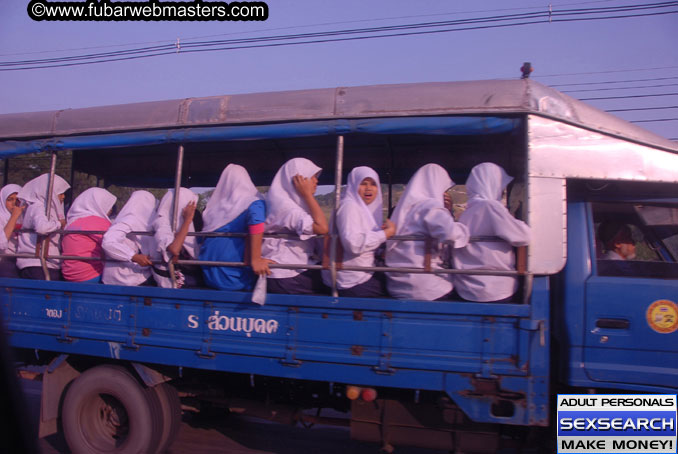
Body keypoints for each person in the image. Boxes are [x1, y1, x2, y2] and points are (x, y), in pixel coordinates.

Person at [385, 164, 469, 301]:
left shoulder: (406, 208)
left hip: (397, 286)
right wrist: (464, 228)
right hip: (426, 287)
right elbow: (450, 234)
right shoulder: (430, 206)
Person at [452, 163, 531, 303]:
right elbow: (523, 236)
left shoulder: (468, 211)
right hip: (495, 288)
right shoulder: (491, 207)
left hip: (467, 287)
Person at [321, 166, 395, 297]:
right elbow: (353, 244)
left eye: (373, 184)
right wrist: (386, 234)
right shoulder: (349, 207)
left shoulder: (361, 209)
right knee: (394, 290)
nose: (369, 188)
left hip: (359, 273)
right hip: (353, 280)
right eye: (363, 183)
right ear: (354, 185)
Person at [262, 158, 329, 294]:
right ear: (298, 181)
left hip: (288, 270)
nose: (316, 181)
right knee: (332, 284)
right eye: (312, 177)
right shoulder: (287, 208)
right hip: (286, 274)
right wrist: (307, 195)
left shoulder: (286, 203)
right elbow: (322, 228)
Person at [200, 164, 271, 291]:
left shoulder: (211, 208)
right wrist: (256, 259)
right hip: (235, 276)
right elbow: (257, 222)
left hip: (208, 273)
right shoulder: (253, 202)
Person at [16, 174, 70, 280]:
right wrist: (59, 224)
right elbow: (42, 228)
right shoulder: (38, 207)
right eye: (60, 193)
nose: (63, 196)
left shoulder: (47, 207)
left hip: (44, 263)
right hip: (38, 264)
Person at [61, 188, 117, 283]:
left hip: (69, 275)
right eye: (108, 205)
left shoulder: (72, 221)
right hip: (91, 275)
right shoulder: (98, 222)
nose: (110, 210)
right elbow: (115, 244)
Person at [101, 191, 157, 286]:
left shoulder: (135, 221)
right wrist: (133, 256)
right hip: (130, 278)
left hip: (114, 278)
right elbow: (108, 242)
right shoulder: (128, 220)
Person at [151, 188, 202, 288]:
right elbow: (174, 249)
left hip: (185, 273)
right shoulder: (161, 222)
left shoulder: (192, 223)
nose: (191, 210)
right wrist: (187, 220)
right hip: (170, 281)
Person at [0, 184, 24, 278]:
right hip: (4, 261)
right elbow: (1, 243)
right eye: (10, 199)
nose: (14, 203)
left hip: (22, 260)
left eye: (17, 200)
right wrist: (14, 216)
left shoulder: (25, 216)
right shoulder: (1, 217)